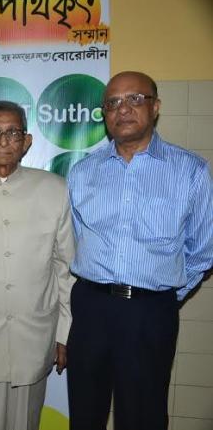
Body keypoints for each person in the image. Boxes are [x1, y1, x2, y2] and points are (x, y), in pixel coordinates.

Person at [66, 71, 213, 430]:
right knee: (85, 413)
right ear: (104, 113)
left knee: (143, 417)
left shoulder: (190, 171)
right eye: (113, 102)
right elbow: (77, 237)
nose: (123, 109)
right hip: (90, 308)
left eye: (135, 99)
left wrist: (162, 296)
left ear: (155, 107)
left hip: (150, 313)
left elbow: (204, 249)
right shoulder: (83, 171)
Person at [0, 101, 74, 430]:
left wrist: (65, 333)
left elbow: (66, 268)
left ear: (27, 141)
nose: (3, 140)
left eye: (13, 132)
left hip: (34, 336)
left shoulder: (54, 189)